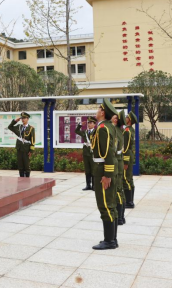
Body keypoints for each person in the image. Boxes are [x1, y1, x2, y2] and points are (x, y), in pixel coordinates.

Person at [91, 98, 119, 250]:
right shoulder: (108, 127)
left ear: (102, 112)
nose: (96, 112)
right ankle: (112, 238)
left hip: (103, 169)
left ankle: (109, 241)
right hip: (105, 167)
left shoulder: (103, 128)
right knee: (111, 205)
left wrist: (107, 175)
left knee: (105, 205)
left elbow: (108, 152)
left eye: (97, 109)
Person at [8, 112, 36, 178]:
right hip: (19, 148)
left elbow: (33, 140)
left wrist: (31, 150)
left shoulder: (31, 128)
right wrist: (15, 121)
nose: (23, 119)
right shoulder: (19, 126)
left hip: (26, 149)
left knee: (26, 165)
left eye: (24, 118)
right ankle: (21, 178)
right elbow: (10, 127)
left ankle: (27, 179)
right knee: (20, 165)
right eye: (22, 118)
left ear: (28, 119)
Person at [113, 112, 127, 226]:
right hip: (119, 161)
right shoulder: (119, 130)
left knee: (117, 190)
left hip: (117, 162)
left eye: (115, 116)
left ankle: (119, 217)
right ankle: (121, 216)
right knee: (120, 190)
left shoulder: (116, 131)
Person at [75, 117, 97, 191]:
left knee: (93, 169)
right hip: (86, 153)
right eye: (88, 123)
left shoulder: (96, 132)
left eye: (91, 123)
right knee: (87, 169)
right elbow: (76, 131)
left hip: (93, 153)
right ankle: (88, 185)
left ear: (94, 124)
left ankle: (94, 185)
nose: (89, 124)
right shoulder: (85, 132)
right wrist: (80, 125)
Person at [123, 112, 138, 209]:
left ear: (130, 120)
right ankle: (130, 200)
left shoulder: (127, 131)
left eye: (127, 117)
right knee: (130, 179)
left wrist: (125, 162)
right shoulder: (129, 129)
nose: (125, 118)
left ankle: (129, 202)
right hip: (129, 155)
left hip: (127, 156)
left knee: (126, 179)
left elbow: (126, 147)